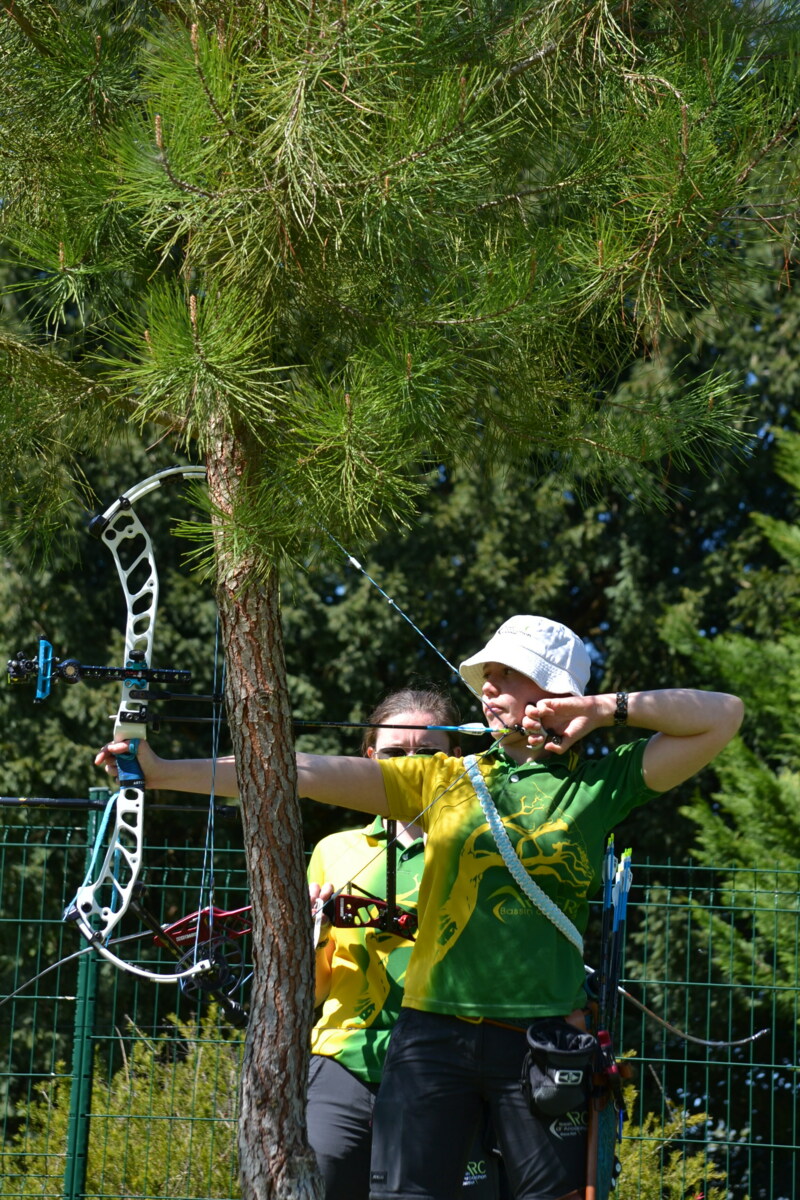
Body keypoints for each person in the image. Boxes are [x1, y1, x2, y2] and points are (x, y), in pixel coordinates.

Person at [96, 613, 744, 1200]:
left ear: (555, 690)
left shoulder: (603, 783)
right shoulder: (446, 778)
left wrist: (603, 710)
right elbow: (298, 771)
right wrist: (162, 771)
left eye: (508, 674)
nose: (488, 688)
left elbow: (723, 715)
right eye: (486, 676)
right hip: (433, 1037)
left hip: (541, 1040)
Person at [306, 687, 507, 1200]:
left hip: (454, 1067)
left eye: (427, 753)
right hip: (347, 1059)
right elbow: (313, 991)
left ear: (455, 758)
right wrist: (312, 936)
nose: (410, 766)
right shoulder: (334, 850)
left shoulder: (489, 847)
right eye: (394, 753)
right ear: (369, 758)